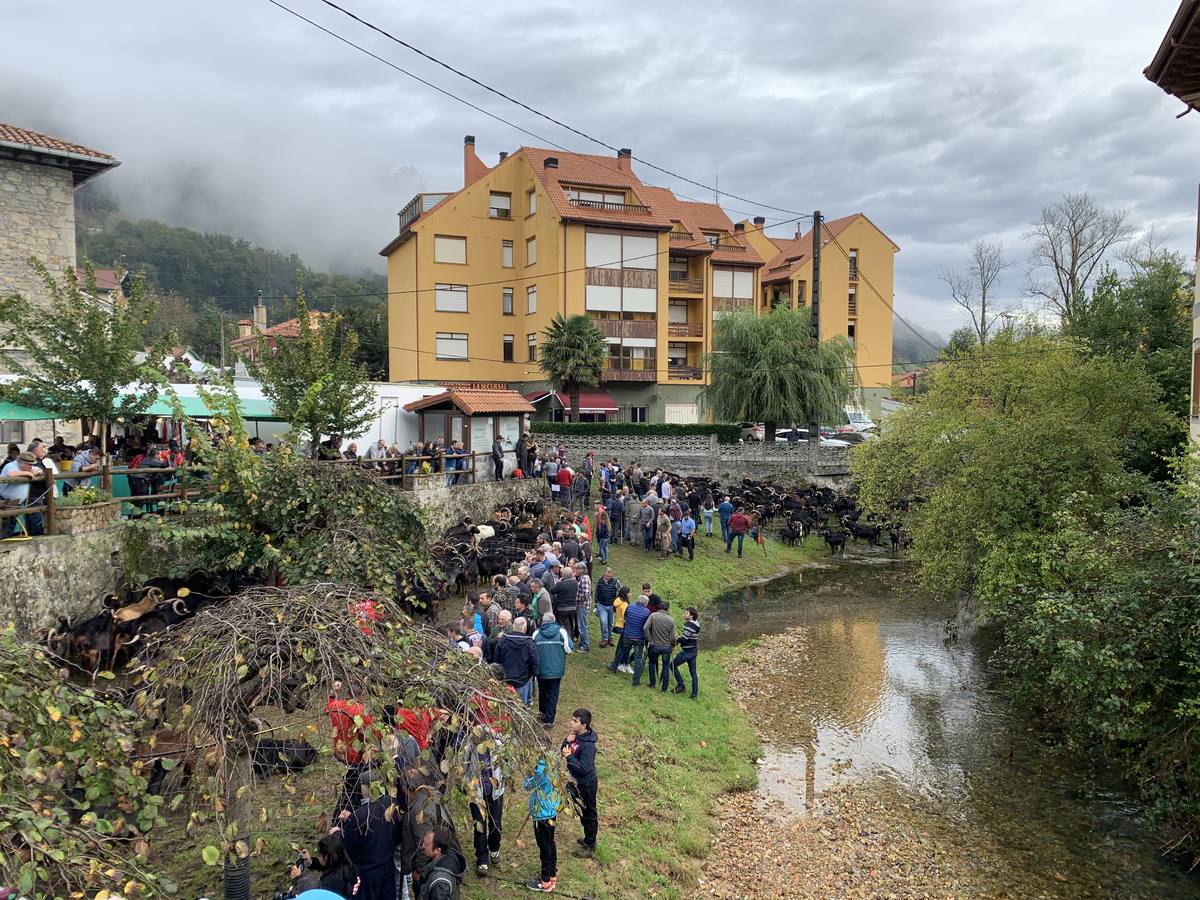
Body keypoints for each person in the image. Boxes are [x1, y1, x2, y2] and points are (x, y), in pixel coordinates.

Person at [336, 794, 399, 900]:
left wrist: (338, 833)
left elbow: (345, 847)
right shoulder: (391, 803)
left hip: (366, 876)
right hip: (387, 871)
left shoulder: (358, 816)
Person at [463, 721, 504, 879]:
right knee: (479, 826)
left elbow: (508, 764)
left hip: (496, 792)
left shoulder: (498, 746)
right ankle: (482, 858)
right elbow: (462, 766)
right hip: (477, 792)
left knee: (496, 824)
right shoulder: (469, 748)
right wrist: (468, 784)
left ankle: (494, 848)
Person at [561, 708, 599, 857]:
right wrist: (566, 741)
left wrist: (569, 757)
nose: (571, 723)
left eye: (575, 721)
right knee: (582, 812)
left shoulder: (588, 746)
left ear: (583, 725)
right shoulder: (575, 736)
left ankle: (590, 846)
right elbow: (563, 751)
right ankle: (587, 838)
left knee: (589, 813)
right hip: (575, 781)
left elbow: (584, 767)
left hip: (586, 784)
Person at [523, 755, 563, 893]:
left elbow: (527, 785)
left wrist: (529, 773)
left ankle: (545, 881)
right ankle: (552, 875)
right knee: (550, 843)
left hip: (542, 814)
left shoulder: (540, 769)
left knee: (544, 846)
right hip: (551, 810)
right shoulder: (552, 761)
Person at [288, 832, 359, 898]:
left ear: (327, 857)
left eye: (319, 855)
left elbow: (318, 893)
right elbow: (326, 866)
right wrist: (310, 862)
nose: (318, 858)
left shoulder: (334, 879)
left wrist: (299, 878)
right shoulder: (346, 866)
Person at [534, 612, 572, 728]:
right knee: (553, 694)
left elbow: (532, 649)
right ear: (554, 620)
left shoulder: (536, 633)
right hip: (556, 670)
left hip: (541, 669)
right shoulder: (562, 632)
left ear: (543, 621)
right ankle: (549, 719)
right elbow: (569, 648)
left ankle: (542, 712)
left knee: (542, 691)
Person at [492, 616, 537, 706]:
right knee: (520, 707)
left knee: (505, 706)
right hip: (522, 680)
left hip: (506, 679)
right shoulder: (529, 643)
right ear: (525, 628)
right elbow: (534, 661)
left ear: (513, 626)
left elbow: (496, 659)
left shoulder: (502, 641)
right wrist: (533, 674)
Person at [417, 825, 467, 899]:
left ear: (437, 850)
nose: (423, 846)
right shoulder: (447, 854)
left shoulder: (440, 883)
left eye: (426, 844)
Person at [0, 451, 43, 538]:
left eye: (31, 465)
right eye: (28, 465)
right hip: (5, 500)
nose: (30, 467)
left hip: (16, 502)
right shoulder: (11, 466)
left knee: (11, 523)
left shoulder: (27, 467)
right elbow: (11, 474)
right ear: (21, 462)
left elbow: (39, 470)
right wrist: (28, 473)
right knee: (6, 524)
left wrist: (37, 471)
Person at [645, 600, 677, 692]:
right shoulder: (671, 620)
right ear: (668, 609)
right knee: (666, 666)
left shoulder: (653, 616)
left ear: (659, 607)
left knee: (651, 663)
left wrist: (650, 639)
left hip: (655, 645)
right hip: (666, 647)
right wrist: (673, 645)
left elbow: (645, 628)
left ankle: (652, 683)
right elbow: (673, 637)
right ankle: (664, 688)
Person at [622, 590, 651, 686]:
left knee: (622, 651)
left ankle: (615, 666)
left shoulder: (630, 606)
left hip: (628, 635)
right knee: (639, 658)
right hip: (639, 638)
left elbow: (625, 618)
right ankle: (636, 680)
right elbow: (647, 625)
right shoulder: (647, 611)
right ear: (646, 603)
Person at [673, 607, 701, 699]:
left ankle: (681, 686)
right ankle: (694, 695)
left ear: (691, 615)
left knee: (672, 665)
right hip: (693, 650)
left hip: (687, 652)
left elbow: (684, 639)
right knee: (693, 673)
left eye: (686, 613)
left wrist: (676, 638)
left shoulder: (690, 626)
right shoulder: (696, 624)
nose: (684, 614)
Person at [593, 568, 621, 648]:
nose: (607, 577)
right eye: (606, 576)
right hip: (601, 605)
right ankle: (605, 639)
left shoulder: (616, 582)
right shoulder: (600, 581)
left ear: (612, 575)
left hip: (611, 605)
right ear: (603, 573)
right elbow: (597, 592)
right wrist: (596, 603)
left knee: (610, 623)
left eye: (609, 576)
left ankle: (610, 637)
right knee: (603, 622)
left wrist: (617, 602)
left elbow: (621, 590)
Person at [573, 563, 592, 652]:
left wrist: (579, 603)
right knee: (581, 624)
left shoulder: (584, 579)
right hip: (581, 605)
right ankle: (582, 642)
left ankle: (585, 646)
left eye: (576, 569)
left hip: (582, 606)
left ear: (581, 570)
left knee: (582, 626)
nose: (575, 571)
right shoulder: (582, 578)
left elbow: (586, 593)